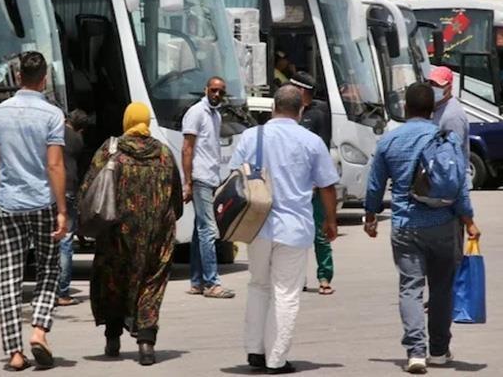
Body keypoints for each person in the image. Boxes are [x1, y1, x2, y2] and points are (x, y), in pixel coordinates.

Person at [363, 82, 481, 375]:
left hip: (405, 226)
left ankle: (416, 352)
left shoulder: (390, 141)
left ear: (406, 108)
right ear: (432, 109)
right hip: (443, 224)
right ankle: (439, 351)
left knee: (410, 288)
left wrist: (370, 216)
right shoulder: (446, 139)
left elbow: (375, 185)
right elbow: (459, 186)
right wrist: (468, 220)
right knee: (442, 289)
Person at [230, 85, 340, 374]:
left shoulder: (250, 136)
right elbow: (327, 186)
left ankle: (255, 350)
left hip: (255, 225)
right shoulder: (311, 141)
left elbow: (233, 177)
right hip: (294, 228)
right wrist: (330, 221)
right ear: (301, 109)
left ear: (272, 107)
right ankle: (276, 359)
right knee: (286, 292)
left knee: (258, 285)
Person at [79, 102, 183, 366]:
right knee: (152, 284)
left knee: (114, 280)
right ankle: (146, 343)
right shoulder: (164, 153)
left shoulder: (111, 150)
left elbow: (89, 188)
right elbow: (177, 200)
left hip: (117, 235)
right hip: (157, 236)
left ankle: (112, 337)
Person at [0, 51, 69, 371]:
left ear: (18, 77)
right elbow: (55, 164)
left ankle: (15, 353)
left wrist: (2, 186)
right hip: (42, 203)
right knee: (49, 270)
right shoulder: (52, 114)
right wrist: (62, 209)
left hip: (8, 204)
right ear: (44, 78)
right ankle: (38, 330)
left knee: (8, 279)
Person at [181, 76, 234, 299]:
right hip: (200, 177)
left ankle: (196, 281)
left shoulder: (216, 115)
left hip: (211, 177)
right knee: (209, 230)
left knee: (200, 229)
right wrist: (187, 181)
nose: (216, 95)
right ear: (205, 90)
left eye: (221, 92)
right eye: (213, 90)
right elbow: (187, 148)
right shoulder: (196, 113)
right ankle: (212, 282)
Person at [290, 72, 335, 296]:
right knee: (294, 235)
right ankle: (296, 277)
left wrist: (319, 180)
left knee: (319, 232)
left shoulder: (318, 114)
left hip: (313, 185)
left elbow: (323, 148)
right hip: (291, 184)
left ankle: (325, 275)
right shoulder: (287, 113)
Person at [57, 109, 88, 307]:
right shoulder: (78, 140)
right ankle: (62, 292)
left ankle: (46, 291)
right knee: (66, 241)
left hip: (50, 188)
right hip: (69, 189)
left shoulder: (54, 131)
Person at [428, 66, 470, 165]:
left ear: (449, 88)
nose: (433, 88)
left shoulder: (452, 115)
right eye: (431, 84)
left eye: (438, 85)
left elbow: (453, 155)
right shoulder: (437, 108)